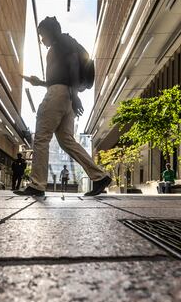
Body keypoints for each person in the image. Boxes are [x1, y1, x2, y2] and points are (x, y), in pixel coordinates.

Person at [15, 16, 111, 197]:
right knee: (66, 140)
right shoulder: (65, 43)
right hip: (65, 95)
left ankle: (37, 185)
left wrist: (74, 96)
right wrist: (41, 83)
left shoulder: (60, 43)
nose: (42, 39)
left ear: (51, 31)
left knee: (41, 137)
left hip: (60, 95)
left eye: (42, 34)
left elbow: (73, 63)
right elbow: (63, 76)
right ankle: (99, 177)